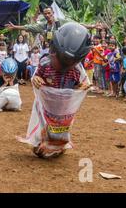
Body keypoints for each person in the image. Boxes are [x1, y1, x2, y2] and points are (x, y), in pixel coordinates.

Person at [26, 23, 91, 159]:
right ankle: (41, 143)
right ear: (53, 50)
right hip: (46, 104)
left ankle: (60, 146)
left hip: (64, 107)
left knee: (62, 127)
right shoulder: (45, 64)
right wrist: (37, 79)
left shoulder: (76, 70)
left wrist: (82, 87)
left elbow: (81, 84)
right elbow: (36, 76)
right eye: (62, 60)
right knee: (45, 125)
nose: (64, 65)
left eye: (69, 62)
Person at [6, 6, 96, 42]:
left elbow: (77, 24)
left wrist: (92, 26)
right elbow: (29, 27)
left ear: (53, 13)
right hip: (51, 50)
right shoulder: (42, 25)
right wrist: (14, 27)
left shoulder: (61, 21)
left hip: (64, 48)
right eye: (45, 13)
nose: (47, 15)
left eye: (49, 13)